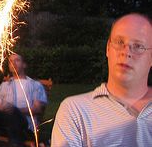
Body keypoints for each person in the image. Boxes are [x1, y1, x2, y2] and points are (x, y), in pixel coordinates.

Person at [51, 13, 152, 147]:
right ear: (108, 49)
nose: (126, 52)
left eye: (138, 46)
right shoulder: (76, 111)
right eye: (119, 42)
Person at [0, 53, 48, 147]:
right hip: (3, 121)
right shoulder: (5, 85)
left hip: (23, 122)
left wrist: (14, 109)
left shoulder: (35, 85)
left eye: (17, 60)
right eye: (10, 61)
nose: (13, 63)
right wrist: (4, 109)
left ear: (24, 65)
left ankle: (15, 143)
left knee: (12, 111)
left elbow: (37, 109)